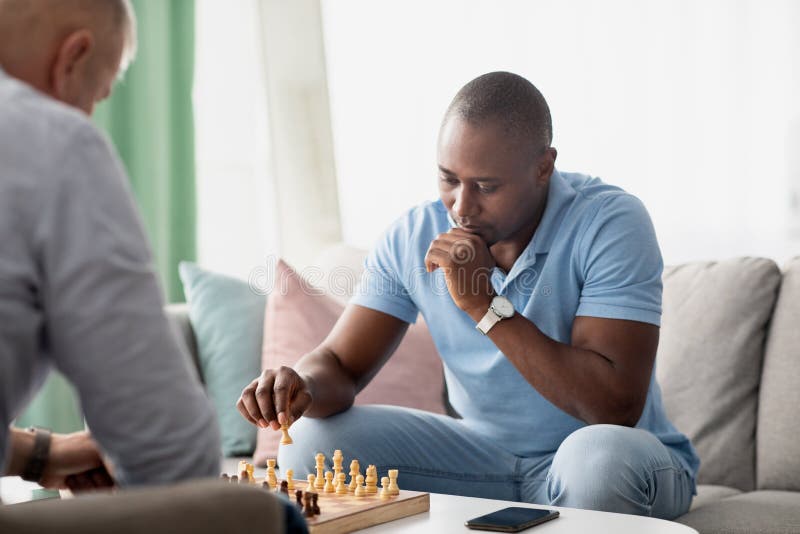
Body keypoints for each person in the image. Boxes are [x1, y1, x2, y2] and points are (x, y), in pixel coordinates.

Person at [238, 71, 700, 519]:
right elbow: (339, 363)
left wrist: (484, 304)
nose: (461, 206)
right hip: (484, 461)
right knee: (312, 441)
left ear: (544, 167)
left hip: (611, 460)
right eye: (449, 179)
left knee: (599, 458)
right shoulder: (412, 235)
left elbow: (613, 407)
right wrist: (300, 384)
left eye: (486, 186)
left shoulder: (609, 223)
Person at [0, 0, 220, 489]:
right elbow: (169, 450)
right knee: (273, 518)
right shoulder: (52, 140)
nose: (88, 116)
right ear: (72, 59)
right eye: (95, 95)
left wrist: (38, 454)